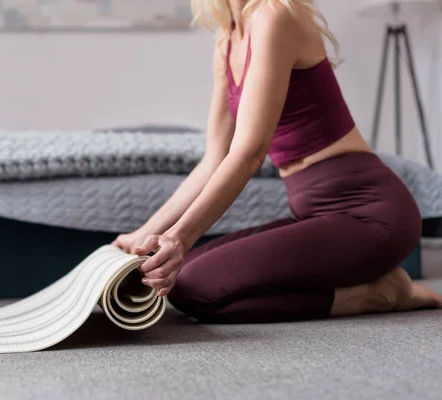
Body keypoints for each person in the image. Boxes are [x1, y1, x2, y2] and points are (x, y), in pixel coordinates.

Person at [111, 0, 442, 323]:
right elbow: (214, 159)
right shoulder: (227, 39)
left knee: (197, 290)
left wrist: (180, 238)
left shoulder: (276, 14)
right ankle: (375, 285)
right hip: (317, 215)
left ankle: (377, 295)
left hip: (370, 215)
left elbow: (249, 153)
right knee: (181, 283)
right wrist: (142, 234)